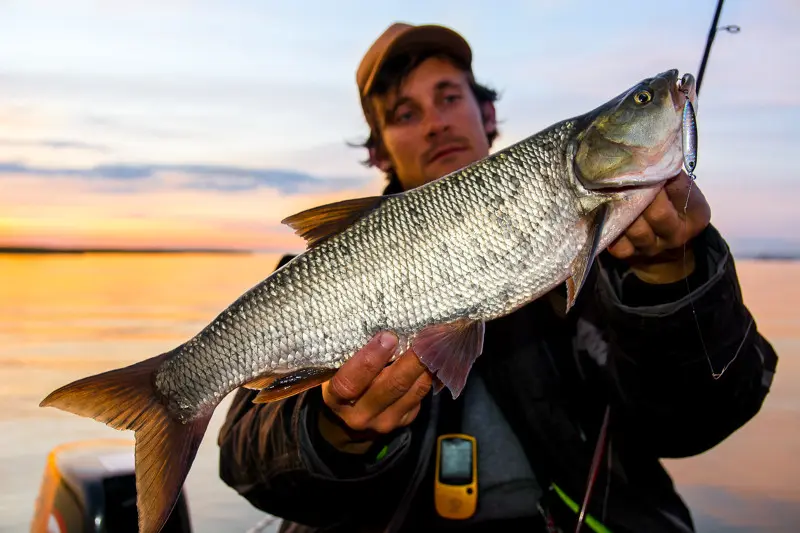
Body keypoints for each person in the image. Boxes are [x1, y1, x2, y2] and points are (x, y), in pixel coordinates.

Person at [217, 22, 778, 533]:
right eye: (405, 114)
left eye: (449, 97)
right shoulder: (315, 275)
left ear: (486, 115)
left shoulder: (605, 246)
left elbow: (701, 419)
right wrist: (334, 434)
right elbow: (243, 459)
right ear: (380, 152)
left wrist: (669, 280)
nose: (436, 122)